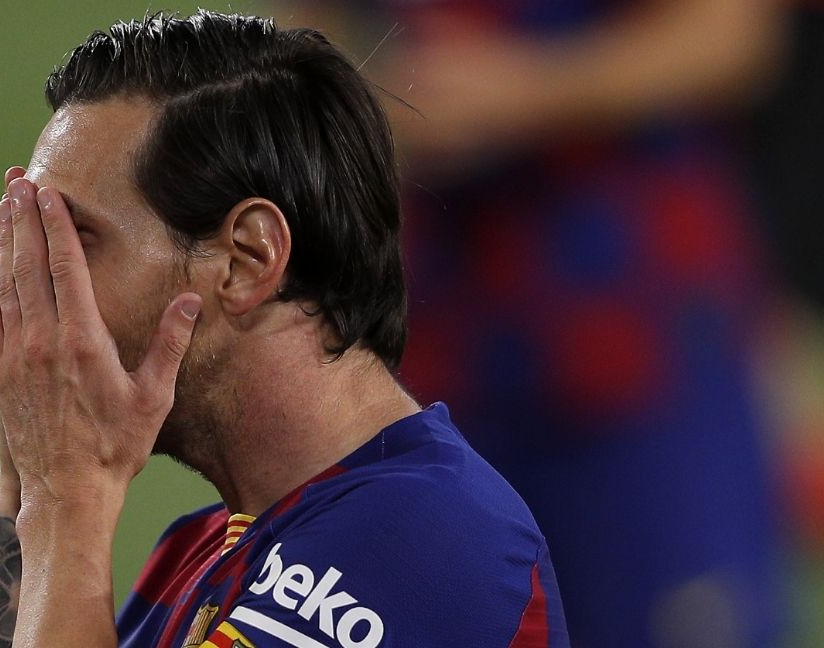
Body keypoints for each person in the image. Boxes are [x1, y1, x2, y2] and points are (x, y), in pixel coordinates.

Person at [0, 10, 569, 648]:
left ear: (247, 260)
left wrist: (64, 498)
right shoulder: (193, 552)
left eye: (74, 241)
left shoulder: (423, 538)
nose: (30, 290)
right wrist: (26, 495)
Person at [282, 1, 787, 646]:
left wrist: (527, 90)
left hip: (641, 345)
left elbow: (730, 35)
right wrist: (367, 106)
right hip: (439, 337)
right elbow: (313, 29)